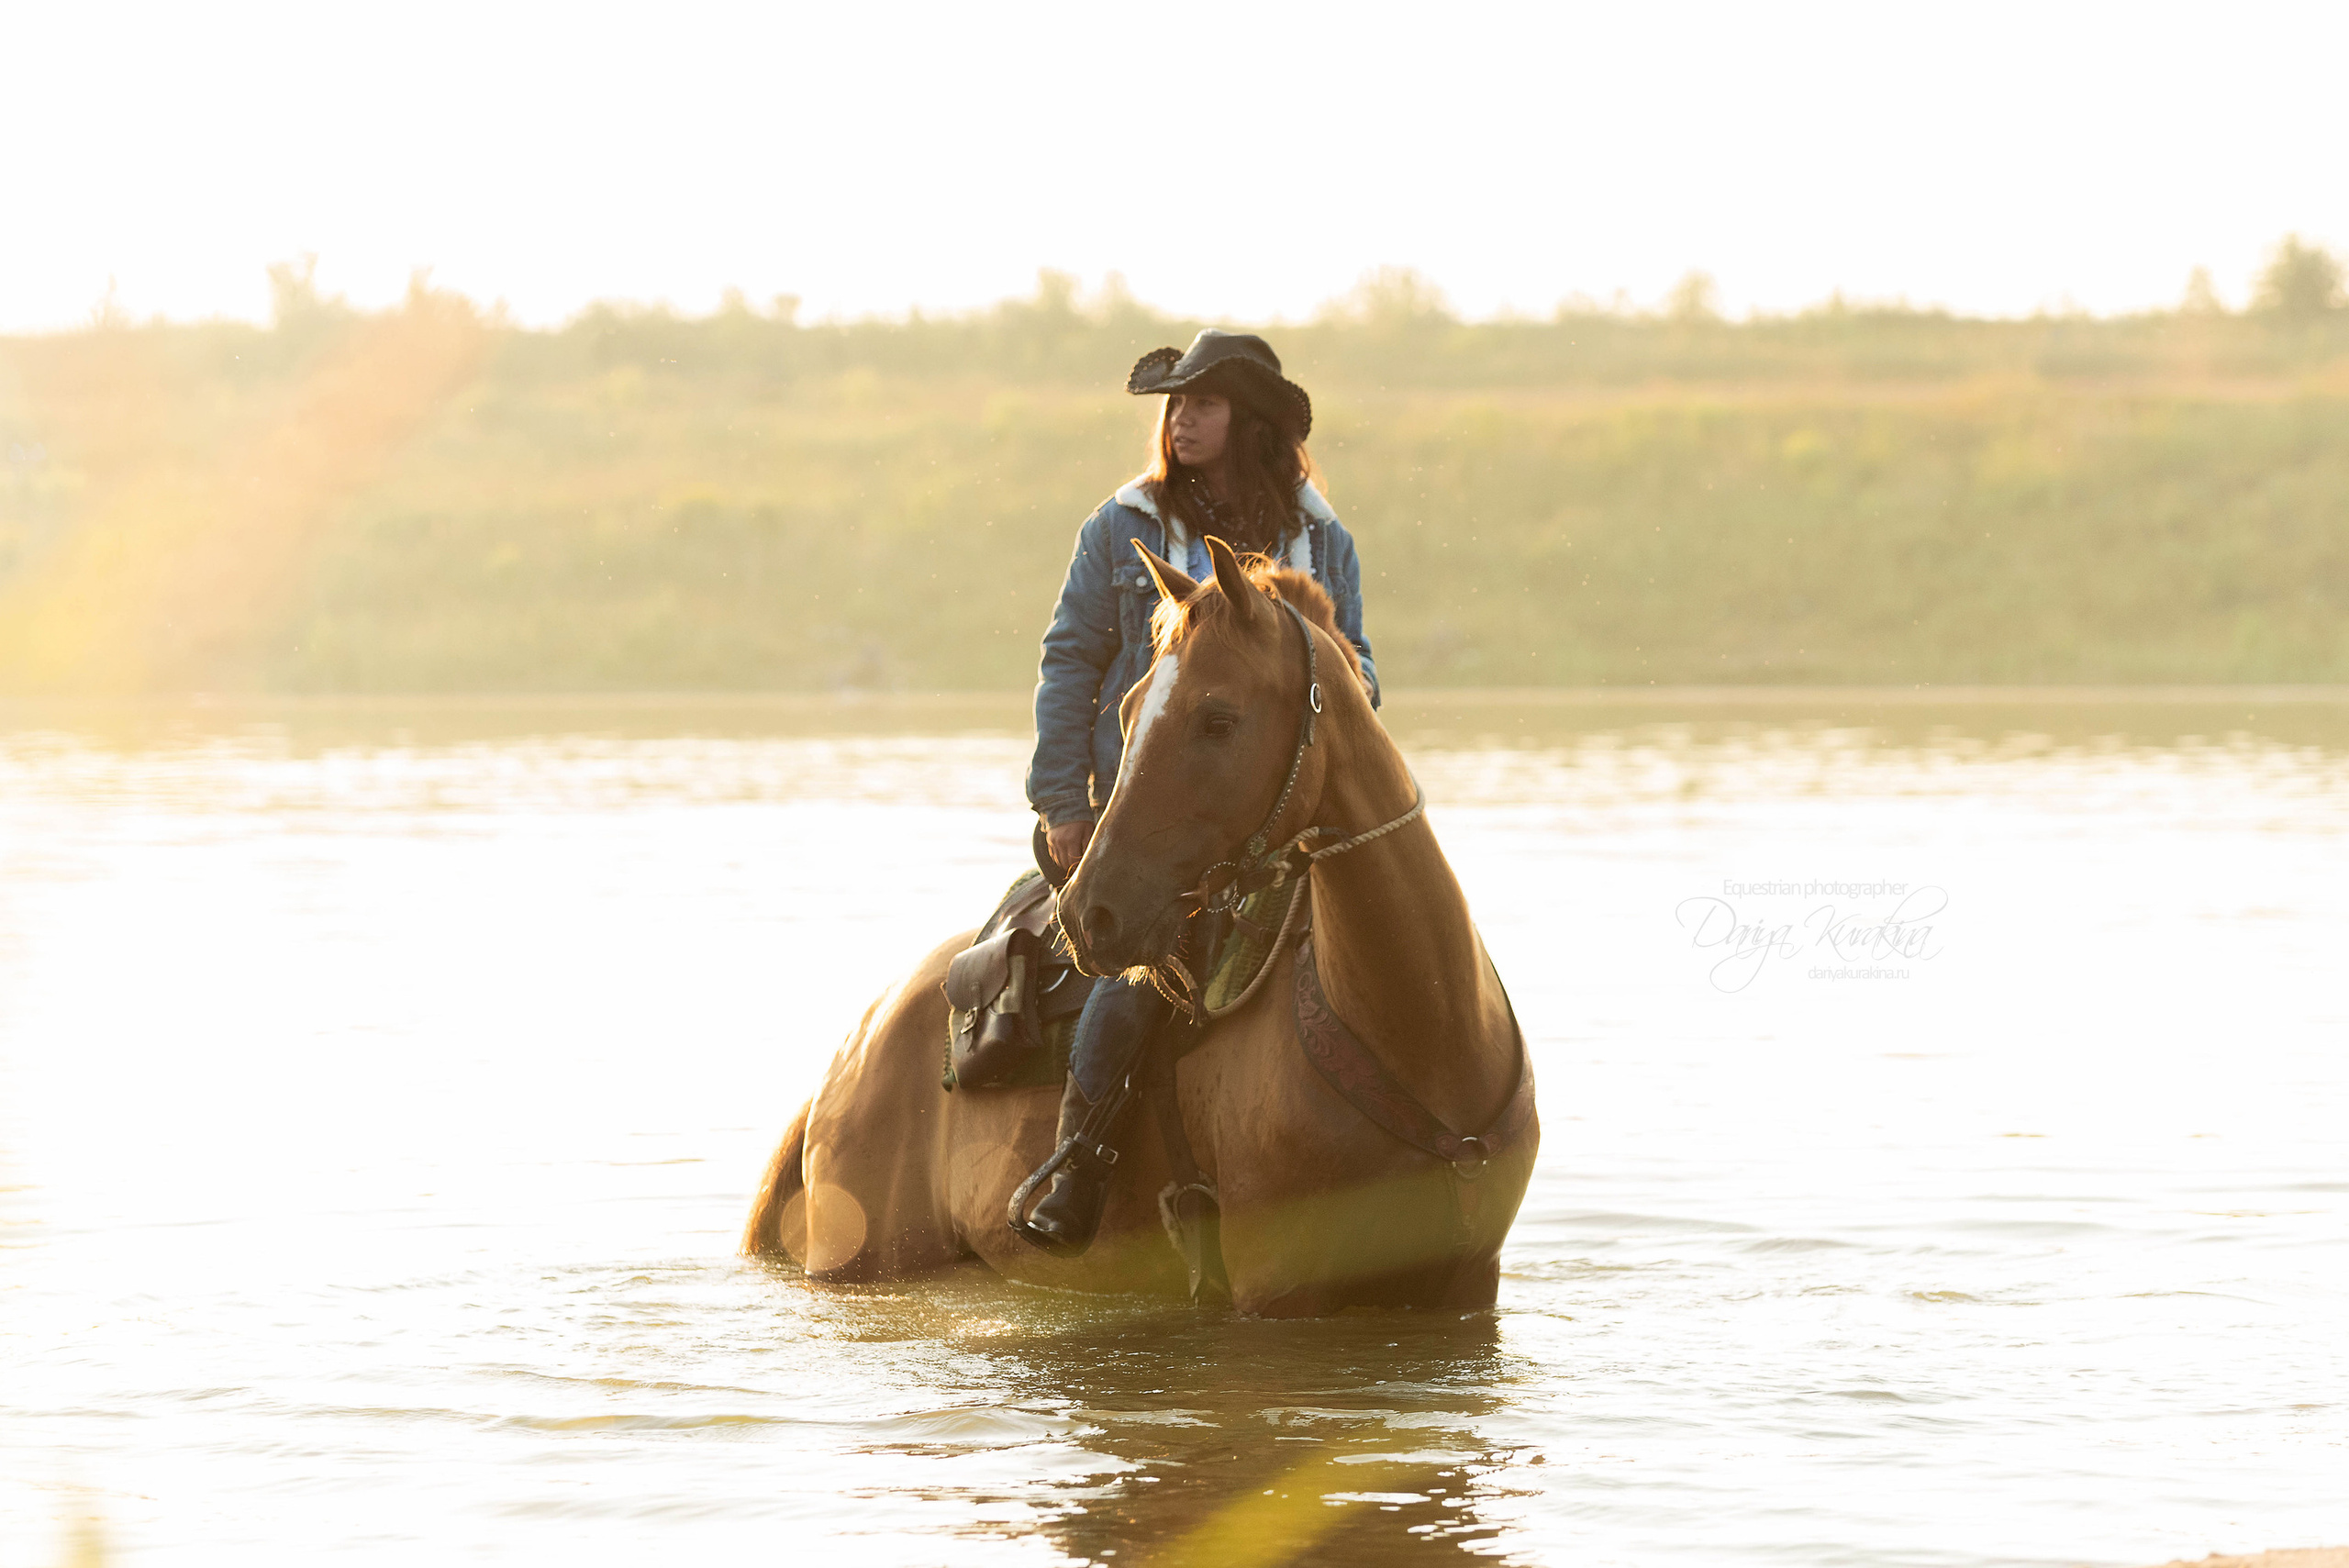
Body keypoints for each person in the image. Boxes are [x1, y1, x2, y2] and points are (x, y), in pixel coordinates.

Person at [1013, 328, 1380, 1255]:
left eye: (1202, 403)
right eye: (1174, 405)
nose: (1180, 419)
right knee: (1140, 977)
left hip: (1291, 817)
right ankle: (1078, 1164)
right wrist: (1065, 803)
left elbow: (1361, 668)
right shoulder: (1123, 528)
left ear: (1250, 422)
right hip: (1158, 817)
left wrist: (1344, 694)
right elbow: (1072, 661)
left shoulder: (1320, 537)